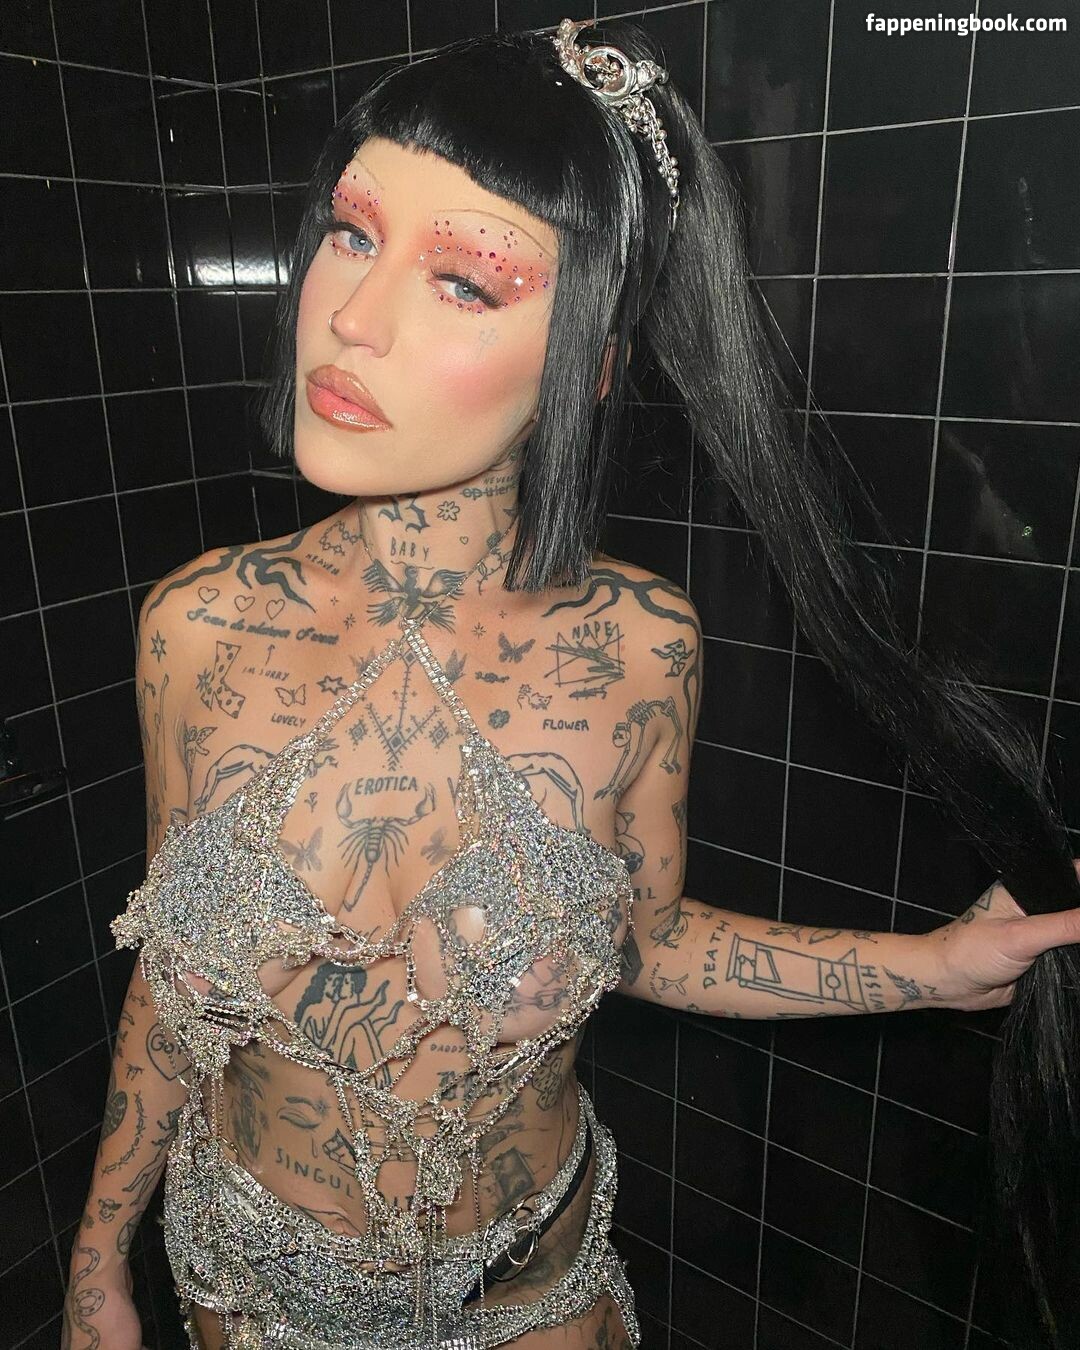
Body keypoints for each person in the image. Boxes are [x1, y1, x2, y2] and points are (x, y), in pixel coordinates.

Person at [62, 17, 1080, 1350]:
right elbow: (172, 978)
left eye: (463, 280)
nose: (349, 315)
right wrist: (97, 1258)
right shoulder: (197, 627)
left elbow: (644, 938)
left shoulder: (638, 647)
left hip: (528, 1297)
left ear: (592, 360)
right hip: (248, 1296)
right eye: (354, 232)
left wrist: (935, 969)